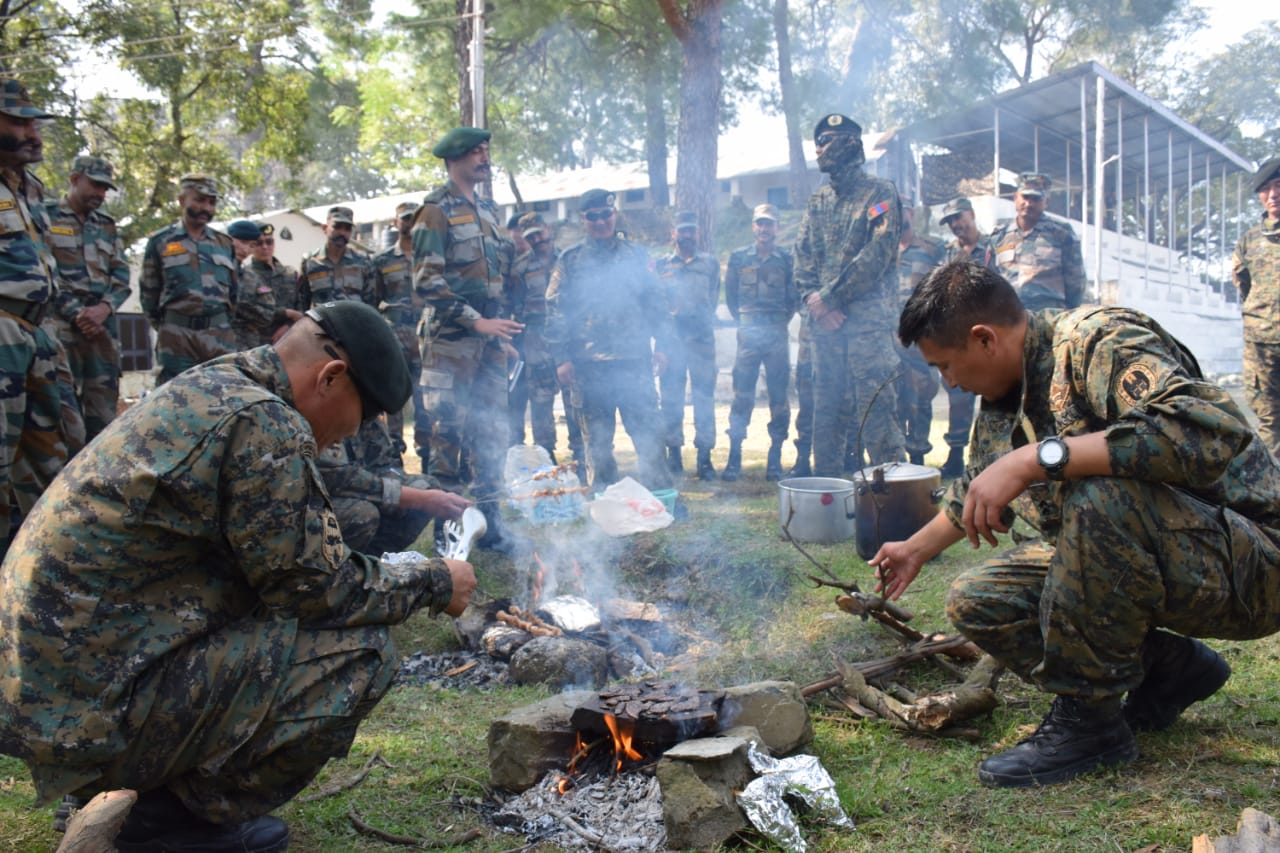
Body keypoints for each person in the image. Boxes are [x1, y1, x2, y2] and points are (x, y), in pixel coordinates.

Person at [0, 300, 477, 853]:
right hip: (81, 702)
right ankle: (163, 824)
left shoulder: (215, 384)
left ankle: (114, 786)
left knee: (264, 612)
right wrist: (436, 581)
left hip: (46, 683)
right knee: (360, 652)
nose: (353, 432)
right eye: (363, 416)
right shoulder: (263, 421)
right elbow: (317, 589)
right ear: (332, 376)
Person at [872, 259, 1275, 789]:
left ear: (984, 339)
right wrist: (916, 549)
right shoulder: (1003, 399)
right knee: (978, 598)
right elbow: (976, 489)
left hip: (1254, 564)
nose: (950, 382)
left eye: (946, 365)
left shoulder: (1096, 339)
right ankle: (1170, 668)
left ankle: (1091, 722)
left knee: (1101, 492)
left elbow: (1207, 430)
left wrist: (1035, 458)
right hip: (1172, 555)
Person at [411, 127, 524, 552]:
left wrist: (498, 333)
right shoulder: (435, 210)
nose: (484, 157)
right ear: (454, 158)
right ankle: (448, 535)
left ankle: (491, 524)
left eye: (485, 151)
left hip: (488, 343)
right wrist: (477, 323)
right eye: (475, 152)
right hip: (450, 343)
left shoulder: (491, 210)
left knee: (492, 431)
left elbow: (497, 281)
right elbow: (427, 282)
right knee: (448, 435)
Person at [794, 113, 904, 476]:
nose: (820, 149)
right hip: (825, 330)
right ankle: (827, 505)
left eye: (827, 140)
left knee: (876, 414)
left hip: (866, 331)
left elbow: (876, 254)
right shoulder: (818, 201)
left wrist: (830, 298)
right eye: (819, 142)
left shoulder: (881, 193)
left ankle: (894, 510)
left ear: (849, 144)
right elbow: (803, 258)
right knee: (825, 415)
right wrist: (817, 304)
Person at [0, 79, 83, 553]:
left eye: (34, 121)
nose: (32, 131)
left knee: (53, 453)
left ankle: (42, 564)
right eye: (19, 120)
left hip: (39, 333)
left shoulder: (29, 187)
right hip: (4, 330)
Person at [545, 188, 673, 490]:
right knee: (598, 444)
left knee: (649, 435)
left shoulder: (637, 256)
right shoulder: (570, 260)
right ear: (583, 219)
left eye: (606, 215)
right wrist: (561, 358)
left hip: (634, 363)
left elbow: (657, 303)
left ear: (614, 214)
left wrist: (664, 347)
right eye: (593, 217)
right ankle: (604, 503)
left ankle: (662, 496)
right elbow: (555, 311)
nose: (601, 222)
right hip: (590, 368)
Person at [45, 155, 132, 443]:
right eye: (95, 185)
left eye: (105, 188)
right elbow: (43, 271)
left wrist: (104, 309)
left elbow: (121, 275)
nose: (101, 193)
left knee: (103, 416)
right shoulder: (45, 216)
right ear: (74, 179)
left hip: (103, 330)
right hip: (62, 329)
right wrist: (77, 313)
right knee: (62, 413)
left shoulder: (107, 226)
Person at [316, 415, 470, 555]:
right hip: (314, 502)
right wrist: (413, 497)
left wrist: (419, 493)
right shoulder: (320, 413)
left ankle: (372, 559)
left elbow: (383, 463)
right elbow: (336, 476)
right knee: (362, 514)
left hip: (359, 491)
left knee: (426, 486)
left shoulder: (367, 412)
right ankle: (336, 570)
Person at [139, 174, 239, 384]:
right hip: (177, 336)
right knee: (174, 397)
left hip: (218, 335)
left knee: (225, 395)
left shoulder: (224, 243)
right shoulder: (161, 242)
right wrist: (169, 324)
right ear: (182, 200)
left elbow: (233, 293)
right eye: (200, 200)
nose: (206, 208)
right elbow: (149, 293)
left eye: (211, 202)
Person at [722, 202, 794, 481]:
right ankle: (733, 458)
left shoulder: (786, 259)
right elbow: (730, 297)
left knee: (779, 397)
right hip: (748, 336)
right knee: (742, 396)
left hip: (776, 335)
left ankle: (774, 459)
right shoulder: (739, 258)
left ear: (777, 227)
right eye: (760, 223)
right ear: (754, 226)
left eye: (770, 224)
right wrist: (747, 323)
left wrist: (775, 323)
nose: (764, 229)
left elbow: (791, 299)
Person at [656, 210, 720, 480]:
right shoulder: (662, 266)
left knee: (704, 400)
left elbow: (714, 296)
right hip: (672, 342)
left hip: (702, 341)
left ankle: (705, 459)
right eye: (682, 231)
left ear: (698, 233)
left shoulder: (710, 264)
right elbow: (657, 304)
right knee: (671, 400)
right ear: (673, 234)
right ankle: (674, 457)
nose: (687, 235)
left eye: (691, 231)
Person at [507, 211, 571, 462]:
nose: (537, 240)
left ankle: (580, 450)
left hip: (567, 337)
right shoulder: (520, 267)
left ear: (548, 230)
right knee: (541, 399)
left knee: (572, 395)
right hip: (535, 341)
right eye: (530, 237)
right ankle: (547, 455)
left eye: (539, 233)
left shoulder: (568, 260)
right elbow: (512, 304)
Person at [935, 197, 988, 477]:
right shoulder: (946, 253)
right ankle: (956, 455)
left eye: (959, 217)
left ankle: (990, 456)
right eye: (951, 221)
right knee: (958, 396)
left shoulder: (993, 247)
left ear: (971, 214)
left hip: (987, 336)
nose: (956, 224)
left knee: (994, 395)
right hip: (956, 338)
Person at [1232, 155, 1280, 457]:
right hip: (1261, 345)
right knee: (1268, 421)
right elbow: (1243, 286)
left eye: (1279, 186)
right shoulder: (1248, 241)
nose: (1273, 195)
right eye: (1266, 189)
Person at [894, 203, 946, 467]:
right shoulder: (880, 251)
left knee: (920, 398)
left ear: (911, 213)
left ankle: (917, 458)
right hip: (887, 340)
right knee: (892, 399)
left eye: (902, 209)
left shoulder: (933, 248)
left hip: (919, 339)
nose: (898, 214)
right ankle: (892, 458)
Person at [988, 172, 1086, 311]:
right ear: (1015, 198)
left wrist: (1070, 313)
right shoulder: (999, 236)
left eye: (1036, 198)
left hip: (1049, 316)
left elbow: (1076, 281)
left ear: (1046, 202)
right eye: (1025, 197)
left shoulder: (1061, 233)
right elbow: (990, 278)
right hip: (1009, 316)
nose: (1029, 204)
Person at [373, 201, 423, 458]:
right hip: (395, 334)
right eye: (405, 218)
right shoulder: (381, 261)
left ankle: (428, 457)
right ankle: (394, 458)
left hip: (426, 334)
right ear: (396, 223)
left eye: (414, 218)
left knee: (427, 397)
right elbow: (373, 300)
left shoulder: (432, 256)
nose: (409, 223)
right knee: (394, 397)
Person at [298, 206, 376, 308]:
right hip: (321, 322)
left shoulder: (363, 262)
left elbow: (371, 303)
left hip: (353, 321)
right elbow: (302, 301)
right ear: (325, 228)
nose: (342, 233)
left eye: (347, 229)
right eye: (337, 227)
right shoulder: (310, 262)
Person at [226, 219, 279, 351]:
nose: (246, 249)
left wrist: (238, 305)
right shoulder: (215, 270)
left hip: (246, 347)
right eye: (243, 242)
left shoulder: (249, 276)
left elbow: (267, 313)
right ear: (228, 239)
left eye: (251, 245)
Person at [247, 222, 299, 317]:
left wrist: (290, 325)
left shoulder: (290, 273)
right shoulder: (246, 276)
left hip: (294, 328)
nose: (265, 247)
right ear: (251, 246)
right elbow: (248, 310)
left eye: (269, 242)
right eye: (259, 243)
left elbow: (301, 306)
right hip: (260, 330)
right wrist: (285, 314)